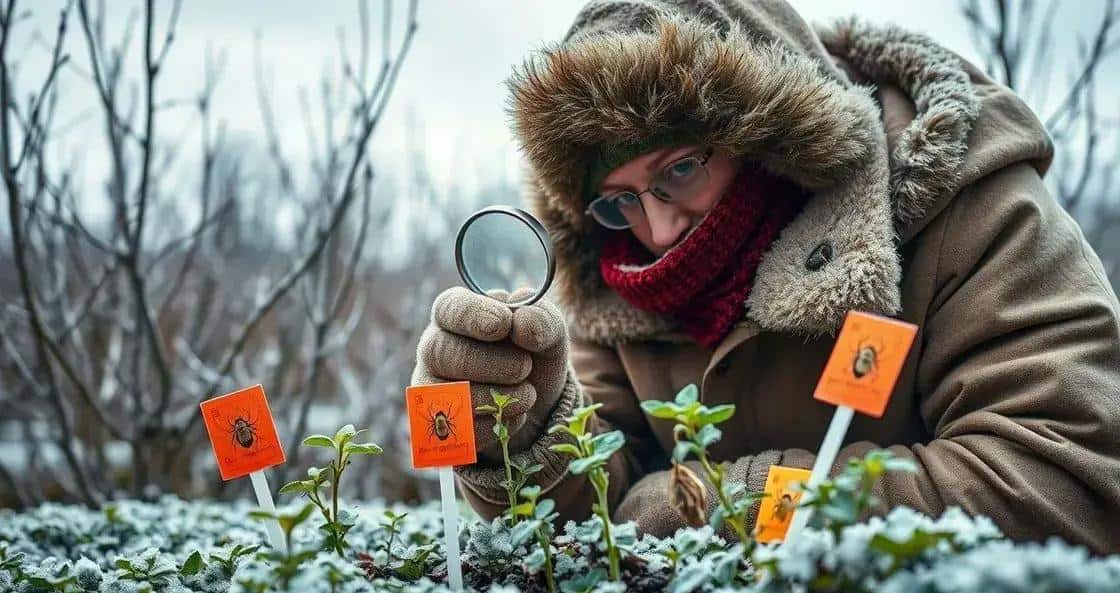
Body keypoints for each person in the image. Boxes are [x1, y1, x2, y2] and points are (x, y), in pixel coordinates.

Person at [411, 0, 1120, 555]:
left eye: (680, 169)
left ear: (771, 139)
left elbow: (1068, 482)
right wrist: (527, 426)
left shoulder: (968, 205)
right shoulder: (618, 271)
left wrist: (739, 505)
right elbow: (594, 507)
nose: (657, 234)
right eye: (621, 198)